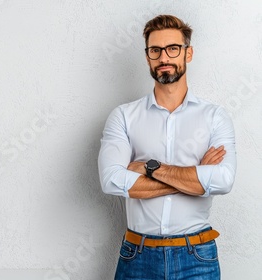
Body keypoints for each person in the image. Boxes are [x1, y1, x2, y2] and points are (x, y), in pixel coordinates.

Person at [98, 14, 236, 279]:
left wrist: (150, 168)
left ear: (188, 53)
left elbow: (223, 180)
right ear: (147, 56)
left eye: (173, 48)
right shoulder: (124, 116)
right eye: (155, 50)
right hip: (137, 255)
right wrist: (195, 177)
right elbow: (112, 180)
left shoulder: (215, 117)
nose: (164, 58)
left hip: (197, 256)